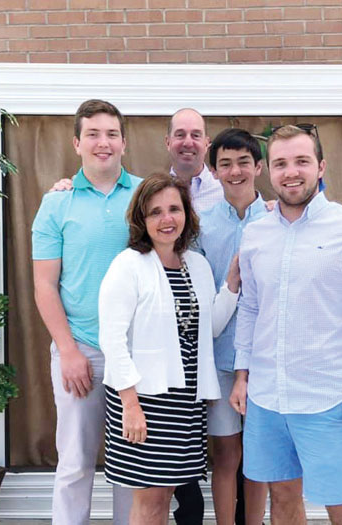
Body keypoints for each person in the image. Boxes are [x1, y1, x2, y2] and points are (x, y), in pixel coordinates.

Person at [230, 124, 342, 525]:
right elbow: (251, 307)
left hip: (330, 397)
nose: (291, 172)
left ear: (320, 166)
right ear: (267, 171)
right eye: (281, 163)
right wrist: (242, 374)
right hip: (267, 397)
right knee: (283, 498)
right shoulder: (255, 234)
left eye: (302, 161)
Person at [97, 173, 240, 525]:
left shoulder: (198, 265)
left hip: (185, 404)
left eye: (174, 209)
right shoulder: (128, 265)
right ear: (141, 220)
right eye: (155, 212)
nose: (166, 219)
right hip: (143, 400)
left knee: (166, 498)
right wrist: (130, 405)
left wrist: (233, 285)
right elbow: (111, 340)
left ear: (187, 214)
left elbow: (209, 329)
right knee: (149, 501)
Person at [31, 99, 140, 525]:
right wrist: (68, 350)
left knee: (133, 467)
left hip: (135, 353)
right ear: (77, 143)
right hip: (81, 350)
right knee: (75, 462)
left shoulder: (146, 195)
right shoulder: (55, 204)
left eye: (111, 134)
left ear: (124, 142)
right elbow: (44, 285)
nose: (103, 143)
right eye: (93, 134)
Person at [197, 128, 270, 525]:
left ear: (258, 167)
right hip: (220, 358)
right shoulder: (201, 226)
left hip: (266, 359)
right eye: (225, 163)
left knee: (259, 454)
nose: (235, 171)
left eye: (243, 162)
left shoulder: (278, 219)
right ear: (213, 171)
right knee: (225, 454)